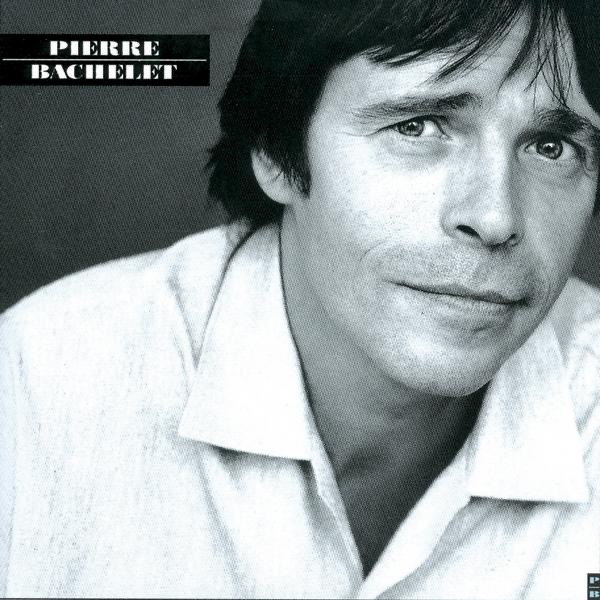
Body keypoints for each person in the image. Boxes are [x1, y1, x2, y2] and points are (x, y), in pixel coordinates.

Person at [1, 0, 600, 597]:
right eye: (417, 127)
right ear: (276, 151)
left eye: (551, 147)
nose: (495, 218)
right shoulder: (36, 393)